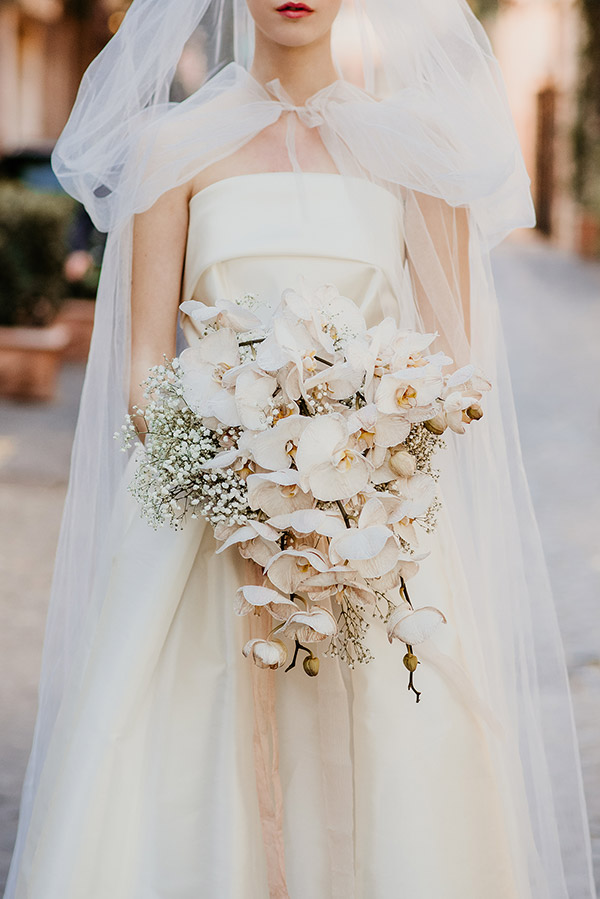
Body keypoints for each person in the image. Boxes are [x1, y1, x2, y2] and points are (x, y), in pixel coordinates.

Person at [4, 1, 596, 897]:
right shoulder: (173, 149)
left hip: (376, 542)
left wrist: (351, 472)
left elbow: (453, 370)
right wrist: (247, 470)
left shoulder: (414, 153)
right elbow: (142, 373)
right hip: (205, 540)